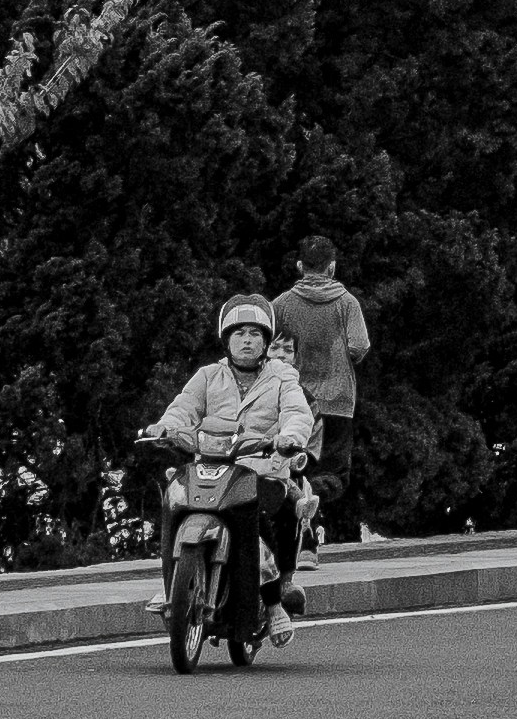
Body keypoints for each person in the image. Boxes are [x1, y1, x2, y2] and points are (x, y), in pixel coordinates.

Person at [148, 294, 317, 637]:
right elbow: (183, 408)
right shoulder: (208, 375)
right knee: (173, 499)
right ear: (226, 339)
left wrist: (289, 437)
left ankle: (272, 604)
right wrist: (165, 427)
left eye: (255, 334)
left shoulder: (282, 376)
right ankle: (172, 588)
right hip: (210, 468)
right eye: (239, 333)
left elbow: (298, 413)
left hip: (263, 470)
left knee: (259, 519)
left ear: (266, 341)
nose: (247, 340)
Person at [273, 236, 373, 539]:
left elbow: (269, 347)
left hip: (292, 401)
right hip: (337, 401)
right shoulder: (347, 304)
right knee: (333, 475)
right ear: (332, 267)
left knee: (291, 470)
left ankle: (302, 528)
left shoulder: (281, 304)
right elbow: (359, 346)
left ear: (300, 266)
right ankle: (308, 523)